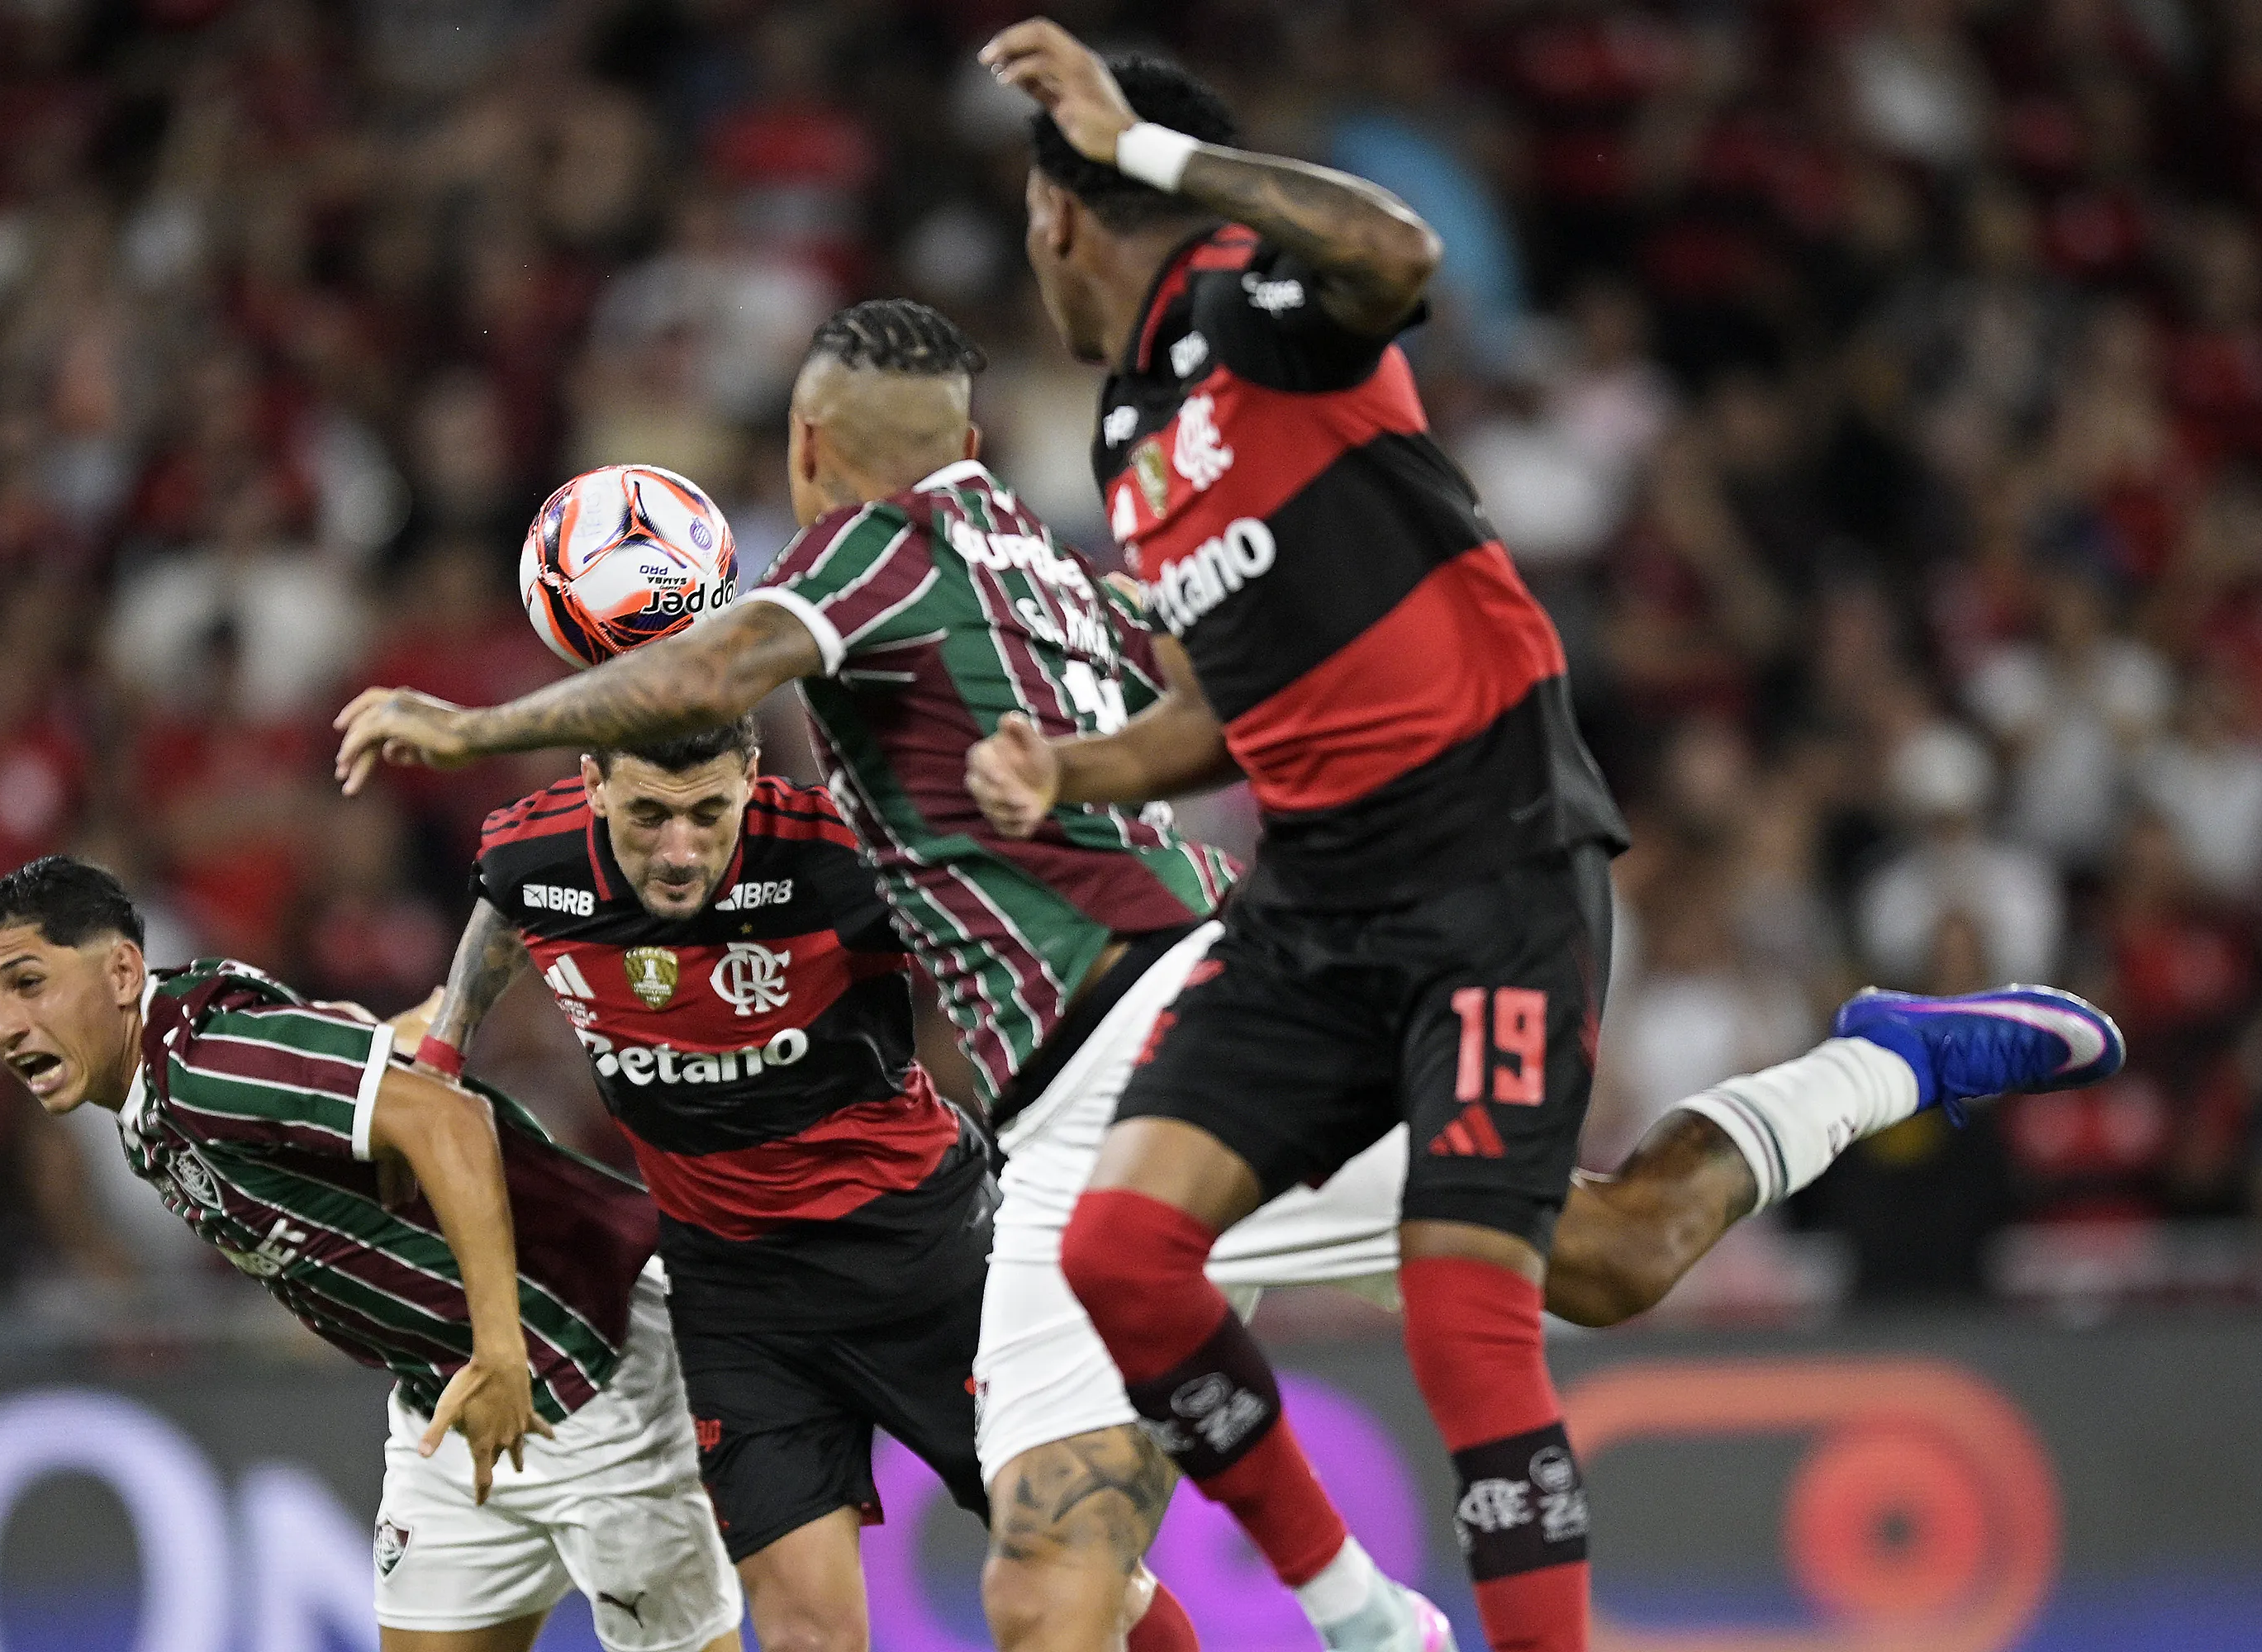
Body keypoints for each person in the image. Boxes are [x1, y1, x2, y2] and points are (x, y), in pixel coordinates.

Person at [326, 299, 2127, 1652]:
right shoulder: (1060, 566)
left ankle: (1361, 1613)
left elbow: (704, 681)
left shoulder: (885, 551)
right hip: (1141, 1068)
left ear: (810, 454)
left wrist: (475, 715)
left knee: (1062, 1591)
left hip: (1150, 1059)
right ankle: (1876, 1067)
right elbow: (1228, 706)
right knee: (1603, 1253)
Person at [963, 21, 2125, 1652]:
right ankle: (1362, 1613)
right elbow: (1221, 708)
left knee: (1478, 1305)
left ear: (1073, 212)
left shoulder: (1255, 308)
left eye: (1037, 222)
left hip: (1482, 860)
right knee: (1143, 1252)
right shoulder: (1124, 433)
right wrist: (1070, 769)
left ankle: (1873, 1071)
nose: (1037, 265)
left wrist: (1142, 146)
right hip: (1314, 911)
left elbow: (1400, 249)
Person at [0, 855, 744, 1652]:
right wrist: (415, 1033)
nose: (4, 1024)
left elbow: (450, 1124)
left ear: (123, 972)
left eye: (29, 983)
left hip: (583, 1361)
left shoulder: (202, 1066)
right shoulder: (155, 1076)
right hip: (453, 1394)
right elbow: (350, 1054)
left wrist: (502, 1348)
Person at [415, 715, 1007, 1652]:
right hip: (739, 1297)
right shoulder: (535, 852)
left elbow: (1005, 933)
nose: (680, 851)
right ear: (593, 784)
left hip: (924, 1256)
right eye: (647, 814)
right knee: (806, 1633)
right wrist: (447, 1039)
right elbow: (502, 900)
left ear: (755, 780)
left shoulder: (841, 855)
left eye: (708, 814)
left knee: (1074, 1563)